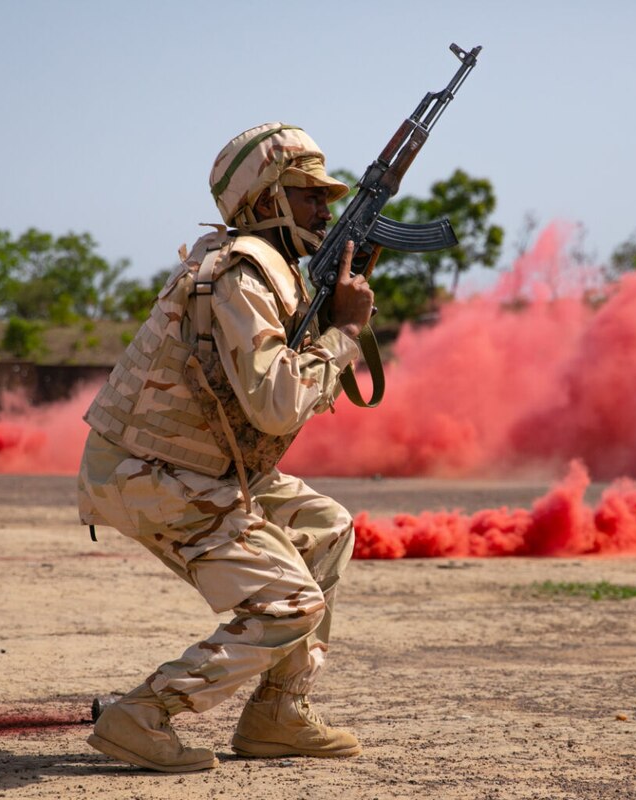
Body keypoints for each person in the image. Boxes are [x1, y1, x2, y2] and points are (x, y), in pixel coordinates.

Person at [76, 123, 374, 773]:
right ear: (265, 201)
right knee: (286, 604)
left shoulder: (274, 272)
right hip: (148, 470)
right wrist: (345, 334)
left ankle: (277, 715)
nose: (326, 209)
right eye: (309, 196)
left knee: (327, 528)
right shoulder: (239, 273)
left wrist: (328, 321)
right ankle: (142, 714)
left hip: (198, 463)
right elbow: (276, 405)